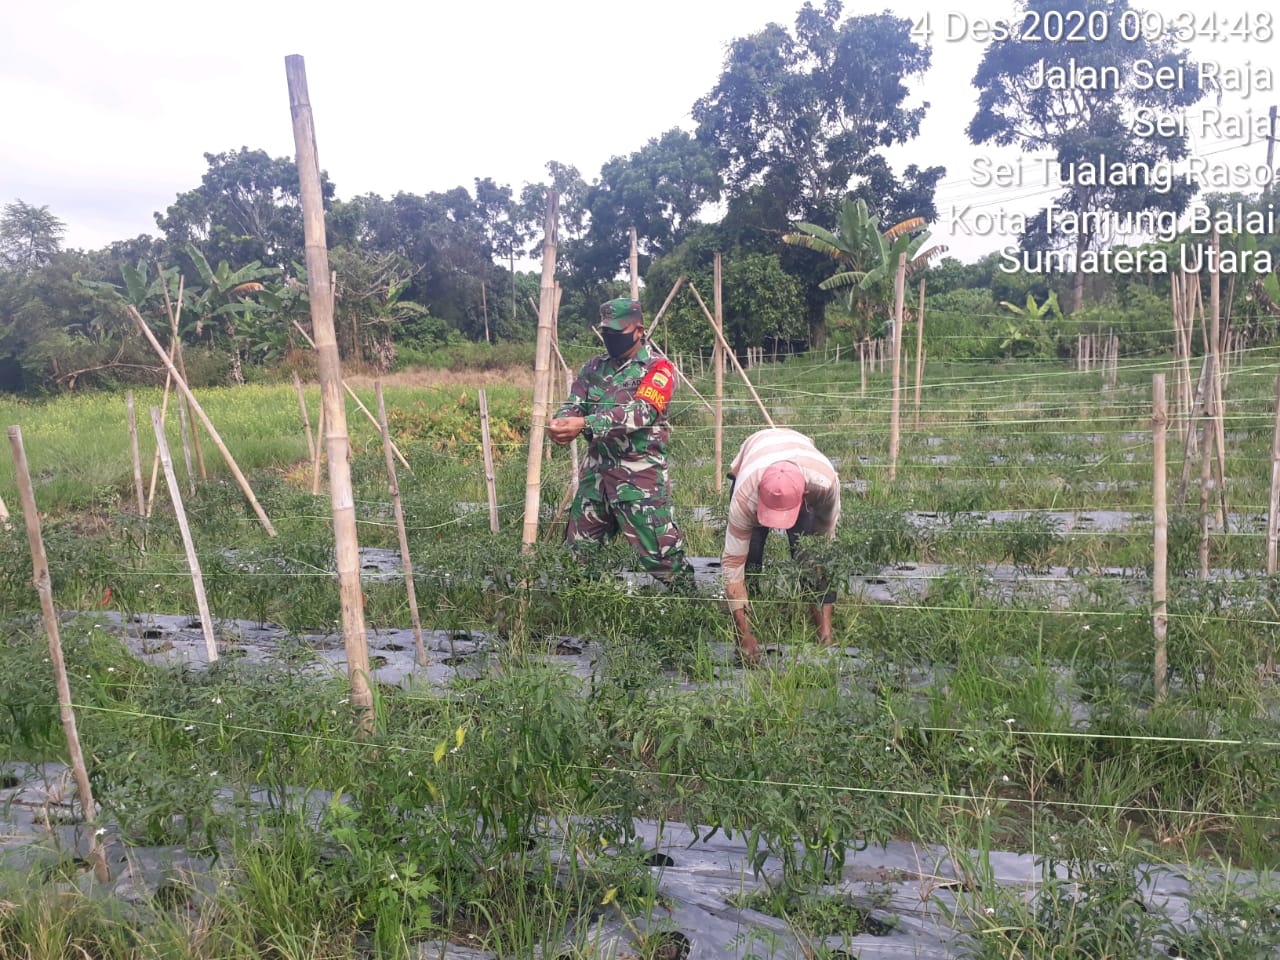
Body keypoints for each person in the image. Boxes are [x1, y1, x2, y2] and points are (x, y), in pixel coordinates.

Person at [548, 298, 694, 587]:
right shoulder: (593, 368)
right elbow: (573, 405)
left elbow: (641, 412)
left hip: (639, 480)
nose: (611, 338)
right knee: (578, 557)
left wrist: (586, 424)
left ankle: (693, 612)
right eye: (606, 332)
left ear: (639, 330)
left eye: (618, 331)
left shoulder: (658, 369)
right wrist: (562, 422)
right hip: (596, 478)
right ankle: (579, 618)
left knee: (663, 559)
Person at [721, 427, 841, 663]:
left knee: (810, 554)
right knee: (751, 555)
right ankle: (748, 621)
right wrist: (743, 634)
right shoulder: (745, 496)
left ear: (804, 495)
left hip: (805, 467)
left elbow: (824, 546)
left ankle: (825, 632)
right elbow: (732, 563)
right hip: (755, 453)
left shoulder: (824, 484)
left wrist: (825, 635)